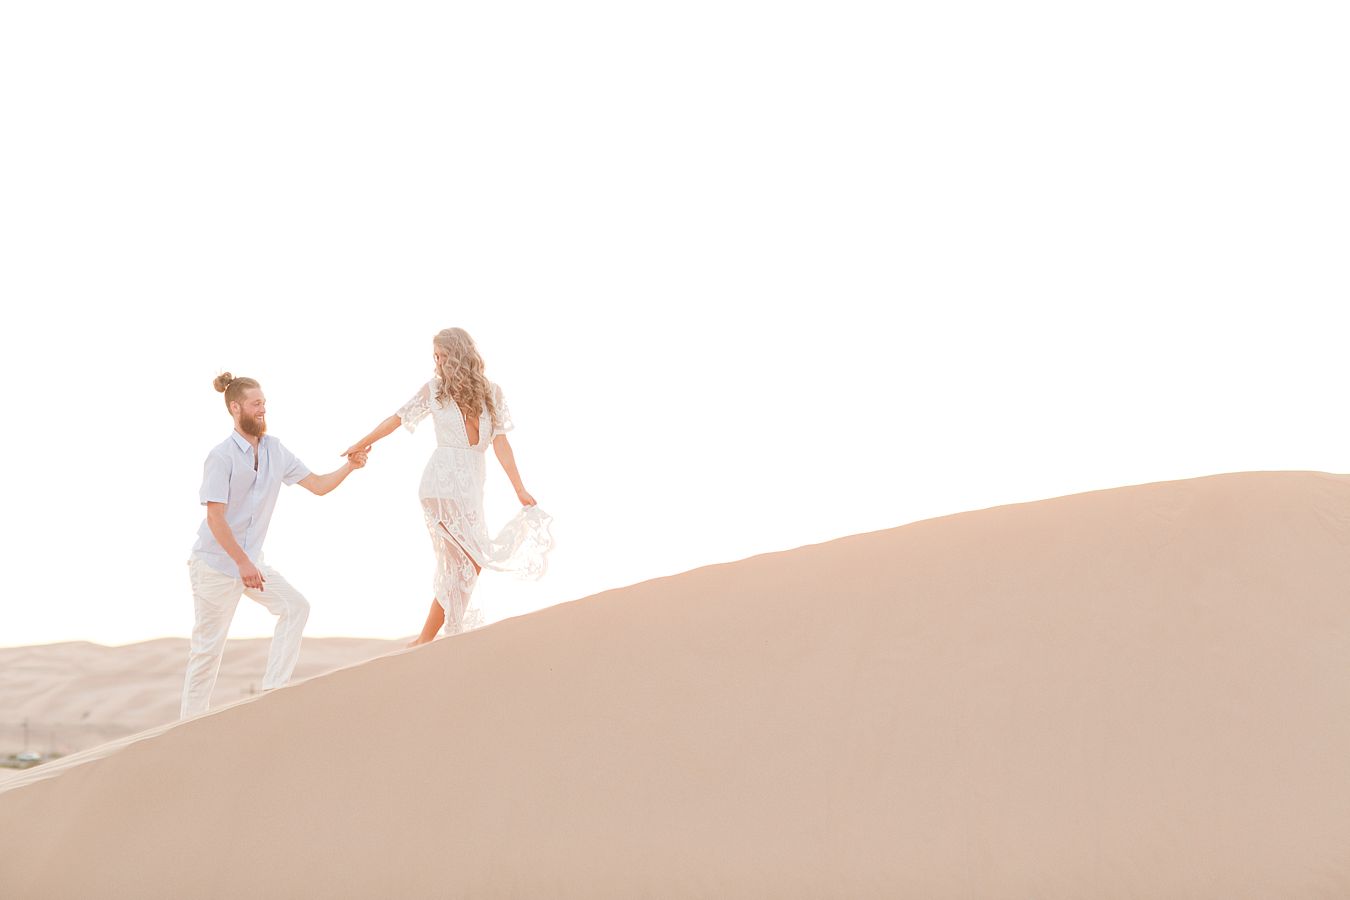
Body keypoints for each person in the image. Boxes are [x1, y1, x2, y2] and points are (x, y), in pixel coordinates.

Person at [344, 327, 552, 644]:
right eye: (435, 357)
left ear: (458, 355)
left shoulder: (492, 393)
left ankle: (434, 638)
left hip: (472, 484)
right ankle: (434, 637)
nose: (437, 363)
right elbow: (397, 419)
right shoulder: (435, 391)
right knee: (468, 558)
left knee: (466, 562)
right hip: (441, 482)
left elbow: (501, 444)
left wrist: (519, 489)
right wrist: (361, 442)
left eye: (441, 356)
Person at [180, 373, 368, 719]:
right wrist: (242, 563)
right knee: (208, 651)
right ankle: (188, 728)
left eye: (264, 403)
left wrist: (350, 467)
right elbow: (215, 520)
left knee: (296, 607)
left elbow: (319, 485)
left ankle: (273, 691)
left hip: (251, 563)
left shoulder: (275, 451)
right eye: (256, 403)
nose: (263, 409)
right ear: (235, 408)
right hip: (215, 566)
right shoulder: (220, 457)